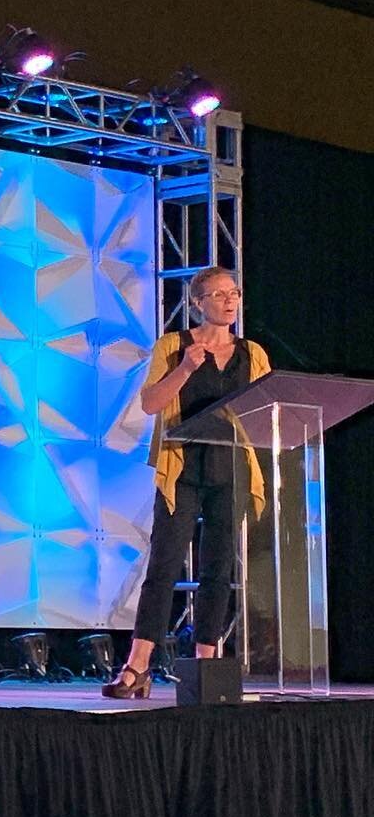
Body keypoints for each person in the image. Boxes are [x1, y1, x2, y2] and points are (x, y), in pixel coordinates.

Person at [103, 266, 271, 699]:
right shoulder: (174, 345)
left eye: (234, 293)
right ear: (197, 302)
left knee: (219, 570)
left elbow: (265, 411)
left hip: (229, 468)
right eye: (218, 295)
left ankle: (206, 666)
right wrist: (184, 369)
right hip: (182, 470)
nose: (230, 301)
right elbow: (150, 402)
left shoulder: (252, 353)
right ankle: (136, 667)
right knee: (164, 566)